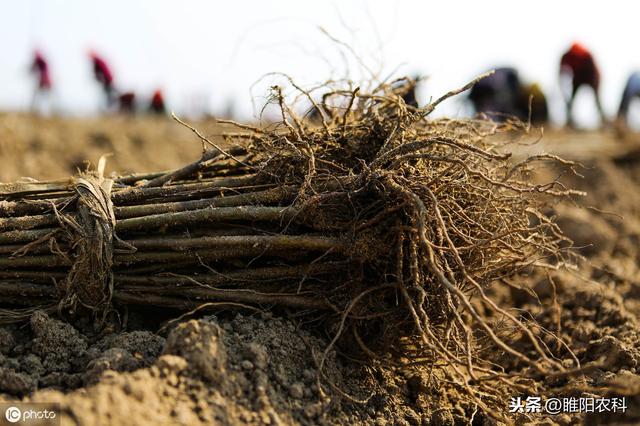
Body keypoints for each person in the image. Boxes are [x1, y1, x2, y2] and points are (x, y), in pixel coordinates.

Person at [559, 42, 606, 127]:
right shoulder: (566, 57)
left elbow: (595, 75)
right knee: (571, 100)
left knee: (598, 100)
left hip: (591, 76)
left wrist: (596, 88)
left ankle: (603, 121)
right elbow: (560, 74)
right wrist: (563, 93)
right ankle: (569, 120)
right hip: (578, 77)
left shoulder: (588, 56)